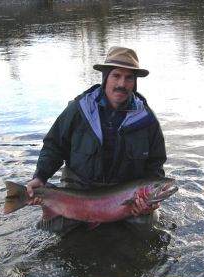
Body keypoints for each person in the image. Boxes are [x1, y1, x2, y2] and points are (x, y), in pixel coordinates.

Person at [26, 46, 167, 233]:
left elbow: (155, 166)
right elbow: (54, 145)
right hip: (79, 190)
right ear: (105, 78)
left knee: (148, 226)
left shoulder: (147, 120)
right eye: (116, 76)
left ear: (135, 82)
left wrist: (151, 203)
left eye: (129, 78)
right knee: (49, 227)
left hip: (125, 196)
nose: (122, 84)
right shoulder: (79, 109)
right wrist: (41, 176)